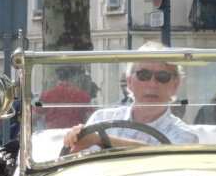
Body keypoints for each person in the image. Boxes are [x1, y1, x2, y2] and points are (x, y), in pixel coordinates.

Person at [63, 41, 198, 152]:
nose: (152, 84)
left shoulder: (186, 136)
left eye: (162, 77)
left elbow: (165, 157)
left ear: (175, 86)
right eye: (143, 75)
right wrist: (74, 139)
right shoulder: (101, 119)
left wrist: (101, 139)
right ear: (129, 82)